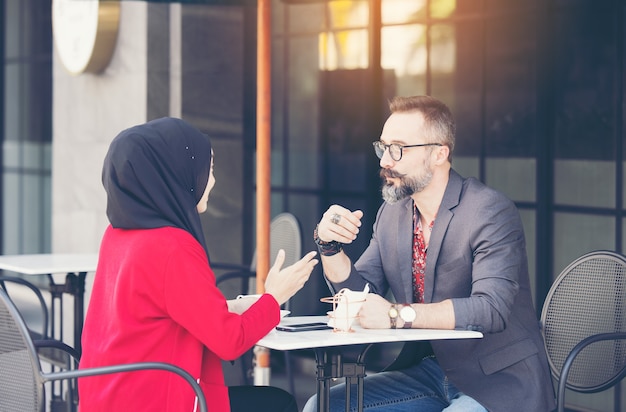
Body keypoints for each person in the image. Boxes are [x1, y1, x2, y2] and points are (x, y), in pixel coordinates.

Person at [303, 95, 556, 412]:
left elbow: (491, 309)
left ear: (439, 154)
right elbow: (359, 297)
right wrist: (330, 246)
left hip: (499, 379)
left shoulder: (488, 210)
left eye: (398, 148)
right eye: (383, 147)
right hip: (430, 371)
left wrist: (396, 316)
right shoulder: (392, 215)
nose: (384, 161)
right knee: (323, 405)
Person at [79, 117, 319, 412]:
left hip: (108, 399)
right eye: (209, 169)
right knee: (278, 403)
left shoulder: (116, 237)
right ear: (176, 174)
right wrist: (275, 297)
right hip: (157, 401)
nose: (213, 181)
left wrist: (237, 306)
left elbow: (157, 312)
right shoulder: (173, 247)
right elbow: (230, 341)